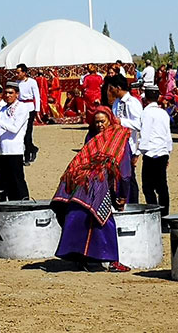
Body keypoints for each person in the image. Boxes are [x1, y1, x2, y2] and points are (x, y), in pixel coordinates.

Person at [51, 106, 132, 273]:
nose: (100, 125)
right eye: (97, 122)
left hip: (90, 182)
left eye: (103, 121)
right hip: (88, 182)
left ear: (111, 120)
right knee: (98, 219)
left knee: (88, 217)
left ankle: (85, 258)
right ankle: (110, 261)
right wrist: (122, 196)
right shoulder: (92, 136)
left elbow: (123, 172)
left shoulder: (119, 137)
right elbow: (124, 174)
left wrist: (121, 194)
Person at [0, 81, 31, 201]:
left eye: (11, 93)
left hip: (15, 149)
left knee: (18, 180)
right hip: (3, 149)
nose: (8, 95)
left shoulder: (22, 108)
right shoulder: (3, 109)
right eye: (6, 93)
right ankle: (11, 205)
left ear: (17, 94)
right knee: (7, 182)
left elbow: (15, 128)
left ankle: (23, 203)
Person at [138, 85, 172, 219]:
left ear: (146, 98)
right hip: (162, 151)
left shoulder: (146, 113)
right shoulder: (163, 113)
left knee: (148, 187)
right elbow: (167, 134)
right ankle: (164, 214)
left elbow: (145, 134)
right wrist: (168, 151)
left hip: (150, 153)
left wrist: (140, 150)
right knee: (162, 186)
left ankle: (154, 213)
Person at [108, 74, 142, 203]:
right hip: (116, 146)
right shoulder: (116, 103)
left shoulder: (132, 103)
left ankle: (133, 203)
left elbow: (139, 124)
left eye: (111, 88)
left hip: (129, 145)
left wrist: (120, 121)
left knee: (130, 178)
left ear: (118, 87)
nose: (110, 91)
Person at [15, 64, 42, 165]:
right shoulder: (16, 83)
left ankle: (27, 157)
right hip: (20, 108)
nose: (17, 74)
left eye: (18, 72)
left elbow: (36, 95)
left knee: (28, 132)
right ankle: (33, 148)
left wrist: (37, 110)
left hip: (30, 108)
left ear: (24, 73)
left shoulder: (31, 82)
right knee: (20, 133)